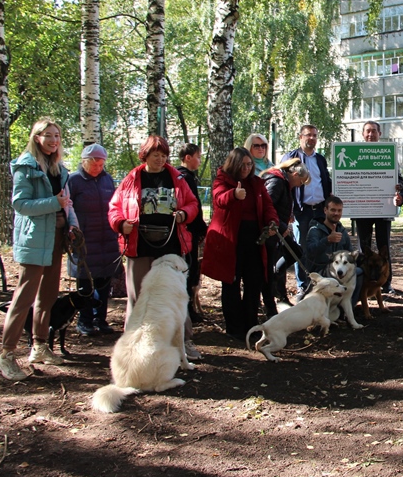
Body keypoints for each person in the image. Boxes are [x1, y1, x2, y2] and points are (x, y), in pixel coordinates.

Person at [0, 118, 79, 380]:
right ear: (36, 137)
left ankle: (40, 346)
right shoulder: (26, 167)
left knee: (48, 296)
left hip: (56, 238)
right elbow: (21, 205)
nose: (53, 140)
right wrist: (53, 203)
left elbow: (67, 203)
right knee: (24, 298)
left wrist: (72, 225)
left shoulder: (59, 169)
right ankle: (6, 355)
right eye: (48, 135)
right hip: (34, 240)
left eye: (57, 135)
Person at [108, 135, 200, 354]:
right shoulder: (132, 178)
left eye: (164, 155)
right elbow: (115, 206)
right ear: (145, 155)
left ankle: (185, 342)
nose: (160, 159)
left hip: (171, 247)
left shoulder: (177, 178)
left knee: (175, 294)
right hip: (139, 246)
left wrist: (183, 214)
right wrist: (121, 224)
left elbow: (193, 204)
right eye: (156, 155)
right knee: (137, 297)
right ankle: (132, 344)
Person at [201, 148, 280, 340]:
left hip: (254, 239)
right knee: (231, 283)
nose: (246, 168)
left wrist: (272, 222)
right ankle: (234, 327)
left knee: (254, 282)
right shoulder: (222, 180)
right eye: (242, 164)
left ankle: (251, 324)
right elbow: (219, 199)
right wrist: (234, 195)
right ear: (234, 164)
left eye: (249, 164)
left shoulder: (256, 183)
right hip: (230, 241)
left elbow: (268, 206)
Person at [66, 143, 120, 337]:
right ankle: (84, 320)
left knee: (104, 281)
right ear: (84, 162)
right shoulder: (73, 180)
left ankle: (100, 319)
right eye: (94, 163)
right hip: (84, 241)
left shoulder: (107, 180)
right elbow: (67, 208)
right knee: (85, 282)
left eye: (101, 163)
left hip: (107, 239)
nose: (98, 167)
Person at [281, 124, 332, 298]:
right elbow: (284, 185)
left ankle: (319, 282)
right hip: (301, 211)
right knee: (301, 248)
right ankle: (303, 286)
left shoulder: (320, 159)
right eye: (308, 135)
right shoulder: (291, 158)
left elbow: (325, 181)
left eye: (315, 135)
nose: (312, 138)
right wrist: (289, 210)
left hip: (319, 210)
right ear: (300, 137)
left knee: (319, 246)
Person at [261, 158, 312, 304]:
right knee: (284, 255)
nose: (300, 185)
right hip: (272, 229)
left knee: (296, 251)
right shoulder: (277, 181)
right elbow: (268, 206)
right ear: (295, 175)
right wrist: (281, 226)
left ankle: (276, 276)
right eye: (301, 182)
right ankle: (271, 295)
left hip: (280, 226)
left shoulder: (284, 182)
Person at [353, 121, 394, 294]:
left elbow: (396, 175)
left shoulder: (388, 153)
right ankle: (364, 280)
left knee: (384, 247)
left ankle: (386, 283)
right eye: (367, 132)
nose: (370, 135)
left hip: (383, 208)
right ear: (363, 134)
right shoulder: (354, 153)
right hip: (362, 210)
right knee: (364, 248)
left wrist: (397, 185)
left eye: (374, 131)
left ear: (380, 133)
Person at [302, 195, 363, 310]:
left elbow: (350, 253)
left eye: (339, 210)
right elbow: (310, 252)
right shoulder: (315, 230)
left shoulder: (342, 230)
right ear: (325, 210)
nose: (336, 213)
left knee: (359, 272)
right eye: (333, 210)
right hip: (320, 272)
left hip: (339, 271)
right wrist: (327, 240)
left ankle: (347, 307)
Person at [176, 143, 208, 330]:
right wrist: (200, 229)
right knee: (189, 269)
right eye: (197, 156)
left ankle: (189, 308)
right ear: (188, 157)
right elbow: (193, 205)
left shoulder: (183, 176)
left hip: (188, 231)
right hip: (188, 232)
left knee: (191, 268)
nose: (199, 160)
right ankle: (187, 309)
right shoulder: (185, 178)